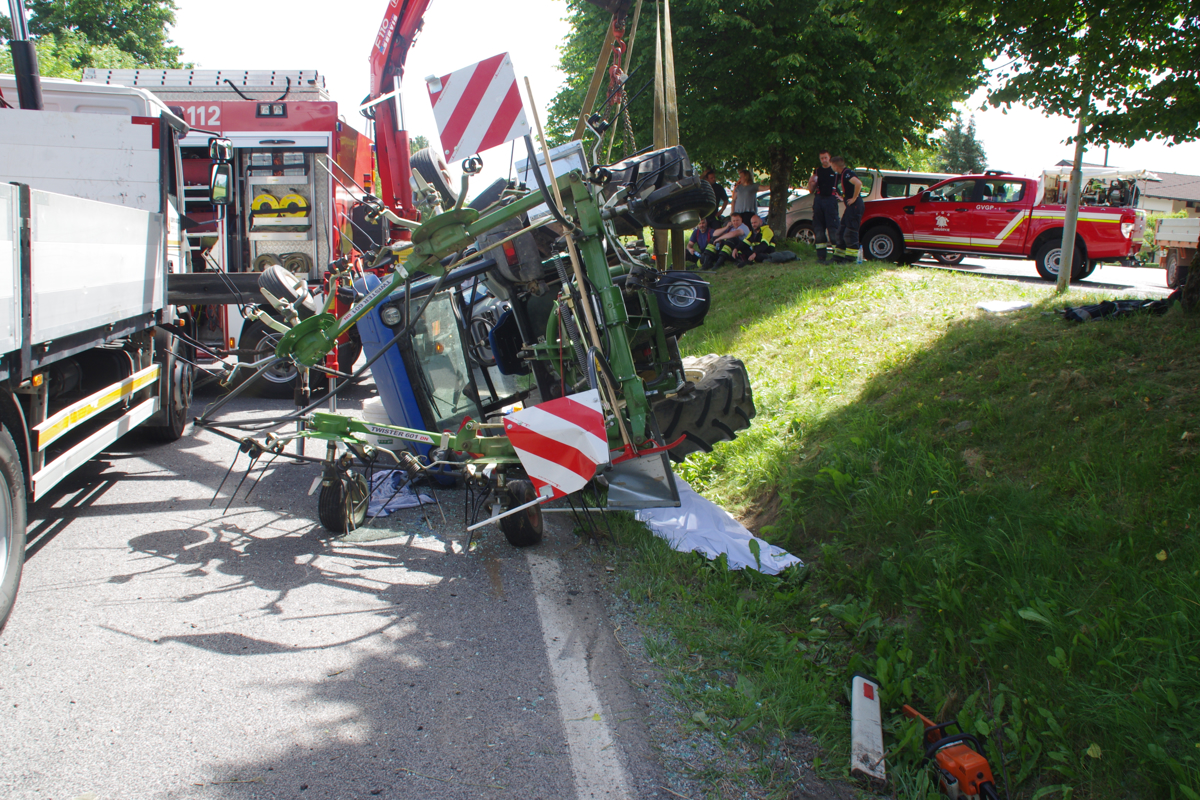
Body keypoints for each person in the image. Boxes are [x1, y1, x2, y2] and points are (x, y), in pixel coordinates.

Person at [807, 150, 840, 263]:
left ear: (829, 157)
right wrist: (811, 182)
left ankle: (837, 256)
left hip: (831, 201)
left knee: (833, 229)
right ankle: (821, 257)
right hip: (819, 200)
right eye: (822, 158)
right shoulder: (817, 171)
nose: (824, 160)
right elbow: (811, 190)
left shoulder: (836, 171)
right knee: (819, 229)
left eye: (825, 158)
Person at [830, 155, 863, 263]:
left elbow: (858, 183)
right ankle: (838, 257)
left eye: (831, 165)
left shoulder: (847, 173)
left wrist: (854, 198)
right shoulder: (844, 174)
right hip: (850, 207)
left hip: (855, 206)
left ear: (835, 166)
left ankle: (850, 259)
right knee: (841, 231)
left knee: (850, 232)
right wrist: (843, 197)